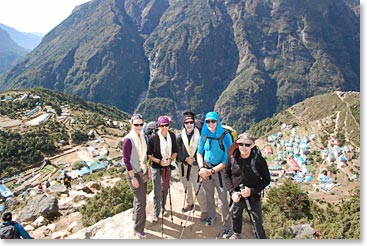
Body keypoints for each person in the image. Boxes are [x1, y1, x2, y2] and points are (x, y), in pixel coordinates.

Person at [223, 132, 270, 239]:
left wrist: (252, 191)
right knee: (236, 217)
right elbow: (226, 175)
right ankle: (236, 234)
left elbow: (266, 179)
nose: (243, 147)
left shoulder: (259, 160)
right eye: (241, 144)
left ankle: (260, 237)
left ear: (253, 145)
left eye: (247, 145)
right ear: (237, 144)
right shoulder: (231, 158)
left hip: (253, 198)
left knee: (257, 221)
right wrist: (232, 192)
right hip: (237, 196)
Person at [197, 111, 233, 239]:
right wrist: (201, 168)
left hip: (220, 172)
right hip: (206, 168)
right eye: (208, 121)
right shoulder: (204, 134)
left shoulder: (225, 136)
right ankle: (211, 216)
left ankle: (228, 227)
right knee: (208, 195)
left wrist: (211, 171)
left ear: (217, 121)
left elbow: (226, 159)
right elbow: (199, 152)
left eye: (213, 121)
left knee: (223, 200)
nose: (210, 124)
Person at [123, 114, 150, 239]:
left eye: (141, 124)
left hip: (142, 171)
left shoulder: (142, 137)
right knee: (141, 201)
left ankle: (135, 217)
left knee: (139, 198)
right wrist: (133, 177)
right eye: (136, 124)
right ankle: (139, 228)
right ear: (131, 124)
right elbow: (126, 160)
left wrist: (148, 168)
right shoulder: (128, 139)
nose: (139, 127)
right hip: (134, 174)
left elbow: (144, 156)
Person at [176, 110, 207, 219]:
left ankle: (204, 209)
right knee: (186, 186)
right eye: (186, 123)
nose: (189, 124)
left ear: (194, 123)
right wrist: (185, 158)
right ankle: (189, 202)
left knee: (198, 186)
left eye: (191, 122)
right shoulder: (180, 137)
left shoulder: (200, 136)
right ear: (184, 124)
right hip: (183, 166)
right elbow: (176, 152)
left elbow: (204, 150)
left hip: (196, 165)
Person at [147, 115, 178, 224]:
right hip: (156, 166)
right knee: (157, 190)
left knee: (165, 188)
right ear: (158, 126)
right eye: (162, 125)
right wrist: (159, 161)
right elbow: (149, 155)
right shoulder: (153, 138)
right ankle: (156, 213)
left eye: (166, 125)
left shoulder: (172, 136)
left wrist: (170, 160)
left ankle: (163, 207)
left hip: (167, 166)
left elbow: (175, 151)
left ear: (169, 126)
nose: (164, 127)